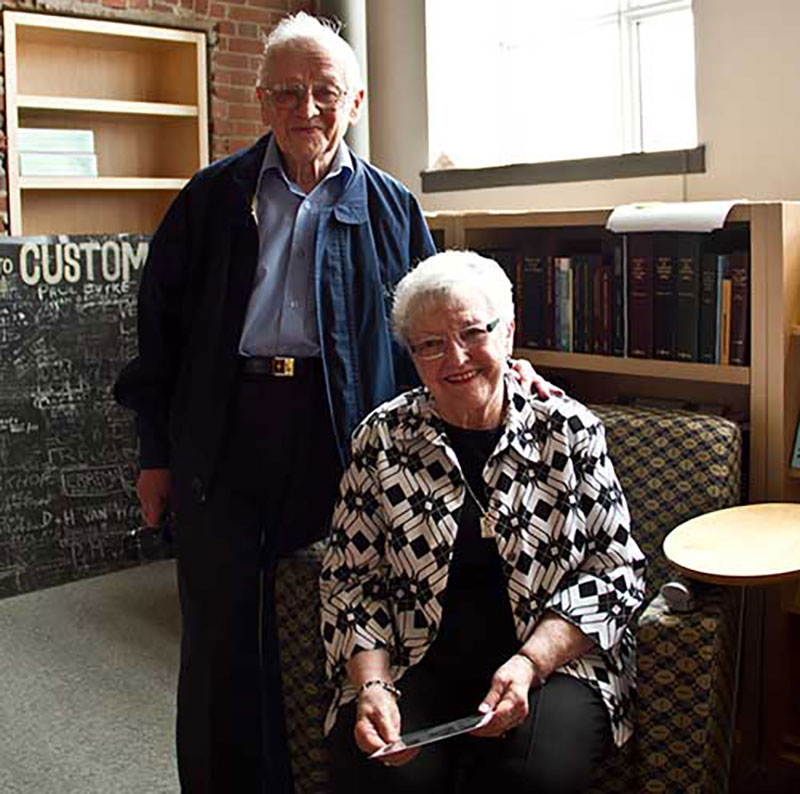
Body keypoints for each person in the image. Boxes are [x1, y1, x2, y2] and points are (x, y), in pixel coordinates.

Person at [114, 13, 550, 794]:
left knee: (336, 619)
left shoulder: (391, 206)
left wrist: (508, 375)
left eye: (324, 92)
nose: (305, 108)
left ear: (356, 99)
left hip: (343, 433)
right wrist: (156, 454)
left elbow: (438, 320)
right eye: (287, 92)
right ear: (260, 99)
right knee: (220, 638)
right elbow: (161, 336)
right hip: (225, 429)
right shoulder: (212, 198)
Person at [320, 250, 647, 794]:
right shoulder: (380, 440)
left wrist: (529, 663)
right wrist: (372, 686)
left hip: (554, 663)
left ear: (508, 332)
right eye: (429, 345)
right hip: (414, 657)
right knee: (384, 776)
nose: (455, 358)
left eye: (472, 332)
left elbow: (617, 571)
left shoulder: (567, 432)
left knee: (531, 778)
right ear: (412, 356)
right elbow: (348, 581)